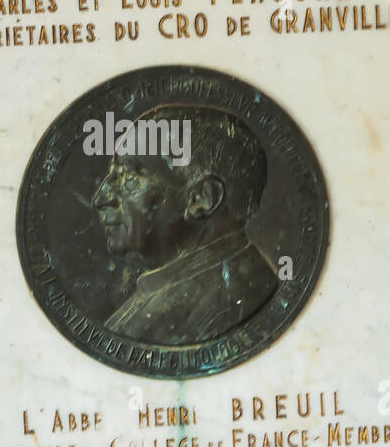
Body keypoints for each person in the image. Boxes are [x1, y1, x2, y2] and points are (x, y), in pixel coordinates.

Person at [91, 104, 277, 345]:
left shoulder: (228, 308)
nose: (100, 198)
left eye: (128, 175)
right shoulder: (165, 293)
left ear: (201, 200)